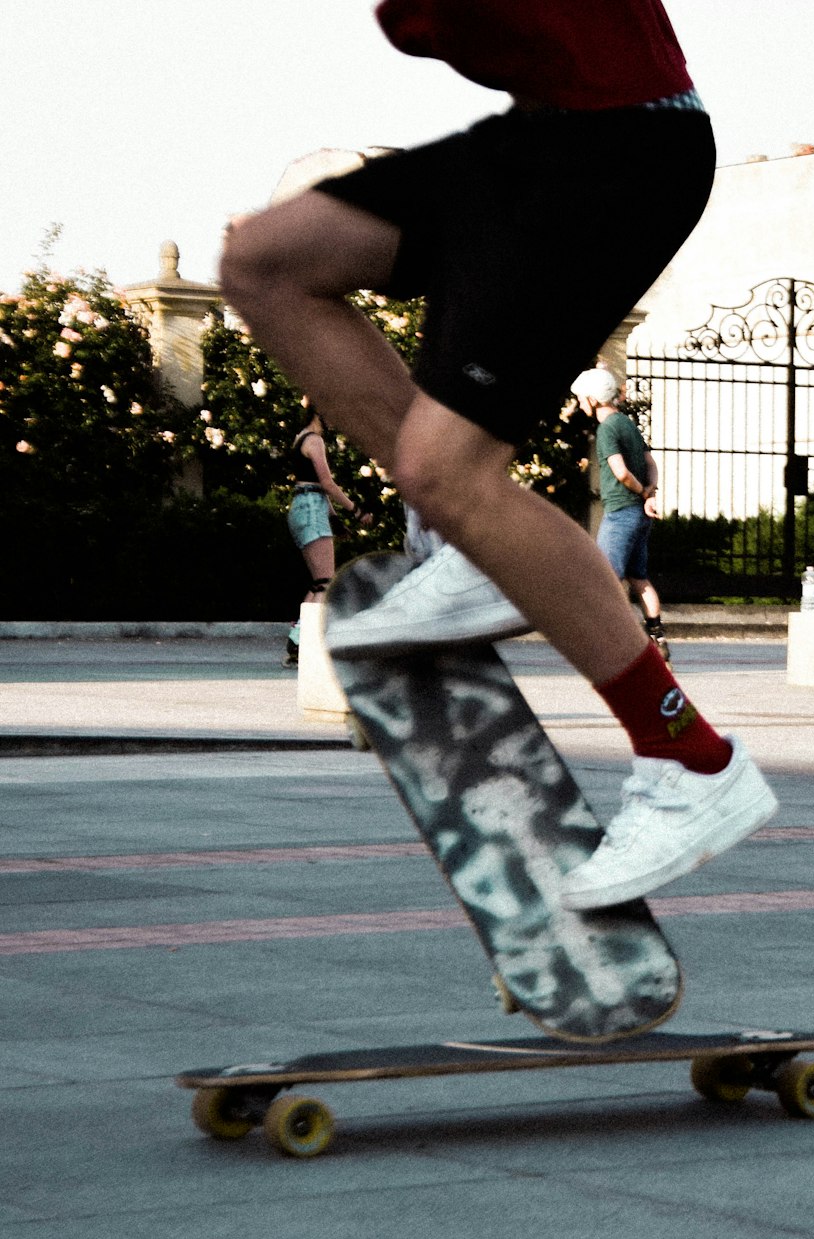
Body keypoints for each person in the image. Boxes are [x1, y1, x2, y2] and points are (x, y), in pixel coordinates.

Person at [220, 0, 777, 910]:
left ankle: (693, 762)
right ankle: (471, 541)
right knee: (268, 260)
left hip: (622, 151)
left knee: (450, 470)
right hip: (533, 146)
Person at [574, 367, 671, 661]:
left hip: (620, 513)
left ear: (592, 399)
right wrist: (651, 491)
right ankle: (657, 638)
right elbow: (651, 462)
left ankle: (614, 642)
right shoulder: (627, 424)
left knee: (606, 578)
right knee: (638, 577)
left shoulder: (606, 429)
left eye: (581, 398)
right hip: (640, 515)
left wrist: (641, 490)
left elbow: (620, 472)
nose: (579, 404)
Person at [284, 407, 372, 666]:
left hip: (304, 507)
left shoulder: (300, 437)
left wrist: (334, 519)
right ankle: (304, 643)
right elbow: (327, 483)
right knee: (325, 582)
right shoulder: (314, 440)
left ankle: (298, 640)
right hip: (312, 508)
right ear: (318, 412)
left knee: (318, 582)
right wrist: (355, 511)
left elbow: (312, 484)